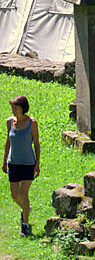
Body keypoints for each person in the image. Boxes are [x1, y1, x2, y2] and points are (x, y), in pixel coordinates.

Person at [2, 95, 40, 237]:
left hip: (28, 163)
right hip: (13, 163)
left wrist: (37, 163)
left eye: (15, 107)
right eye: (12, 107)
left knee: (23, 193)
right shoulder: (9, 122)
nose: (13, 110)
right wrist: (4, 160)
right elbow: (8, 142)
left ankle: (24, 225)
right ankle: (26, 209)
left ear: (23, 108)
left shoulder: (32, 123)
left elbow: (36, 144)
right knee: (15, 196)